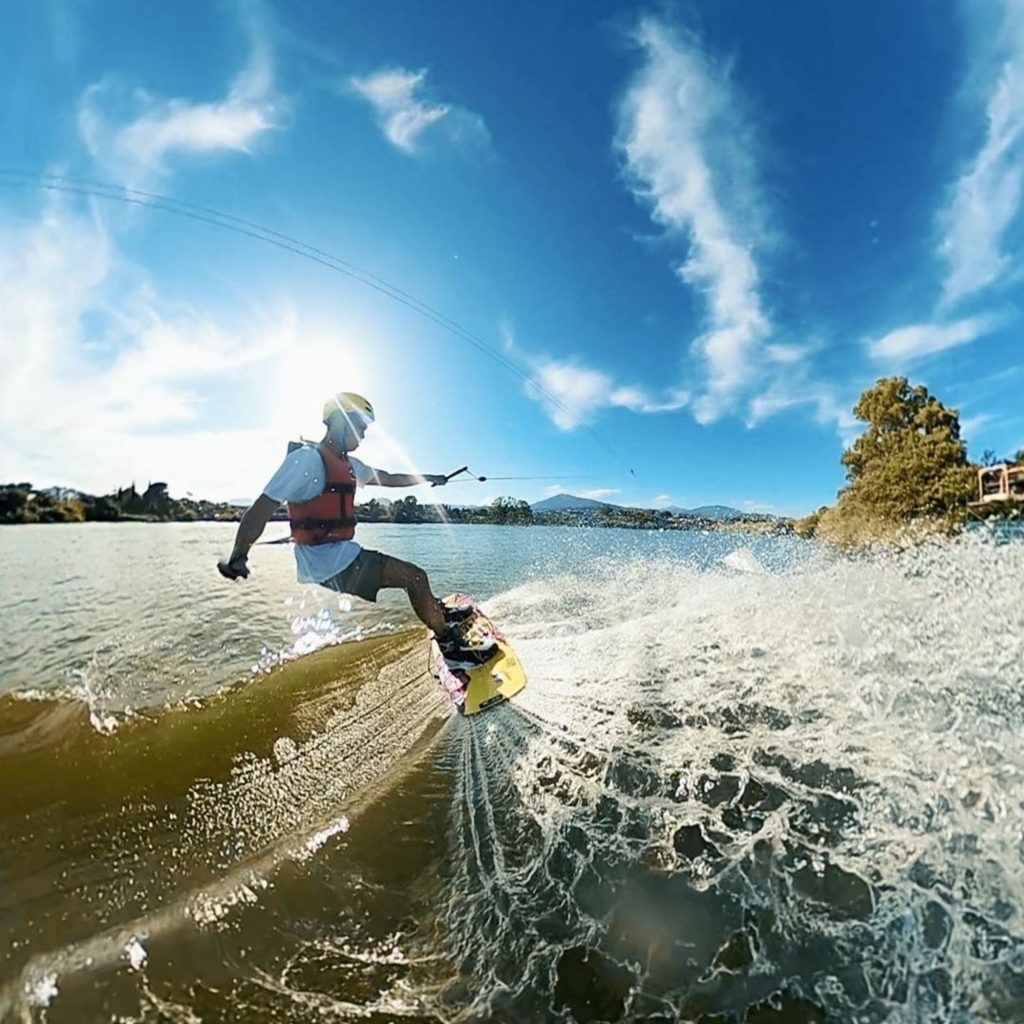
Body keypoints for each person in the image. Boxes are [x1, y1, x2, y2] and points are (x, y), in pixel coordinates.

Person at [218, 391, 457, 641]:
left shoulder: (351, 465)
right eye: (361, 428)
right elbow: (261, 508)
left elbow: (389, 478)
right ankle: (449, 641)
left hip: (340, 554)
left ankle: (436, 610)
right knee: (415, 577)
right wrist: (239, 555)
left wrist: (429, 478)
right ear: (343, 422)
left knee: (415, 580)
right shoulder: (306, 461)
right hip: (326, 561)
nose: (363, 436)